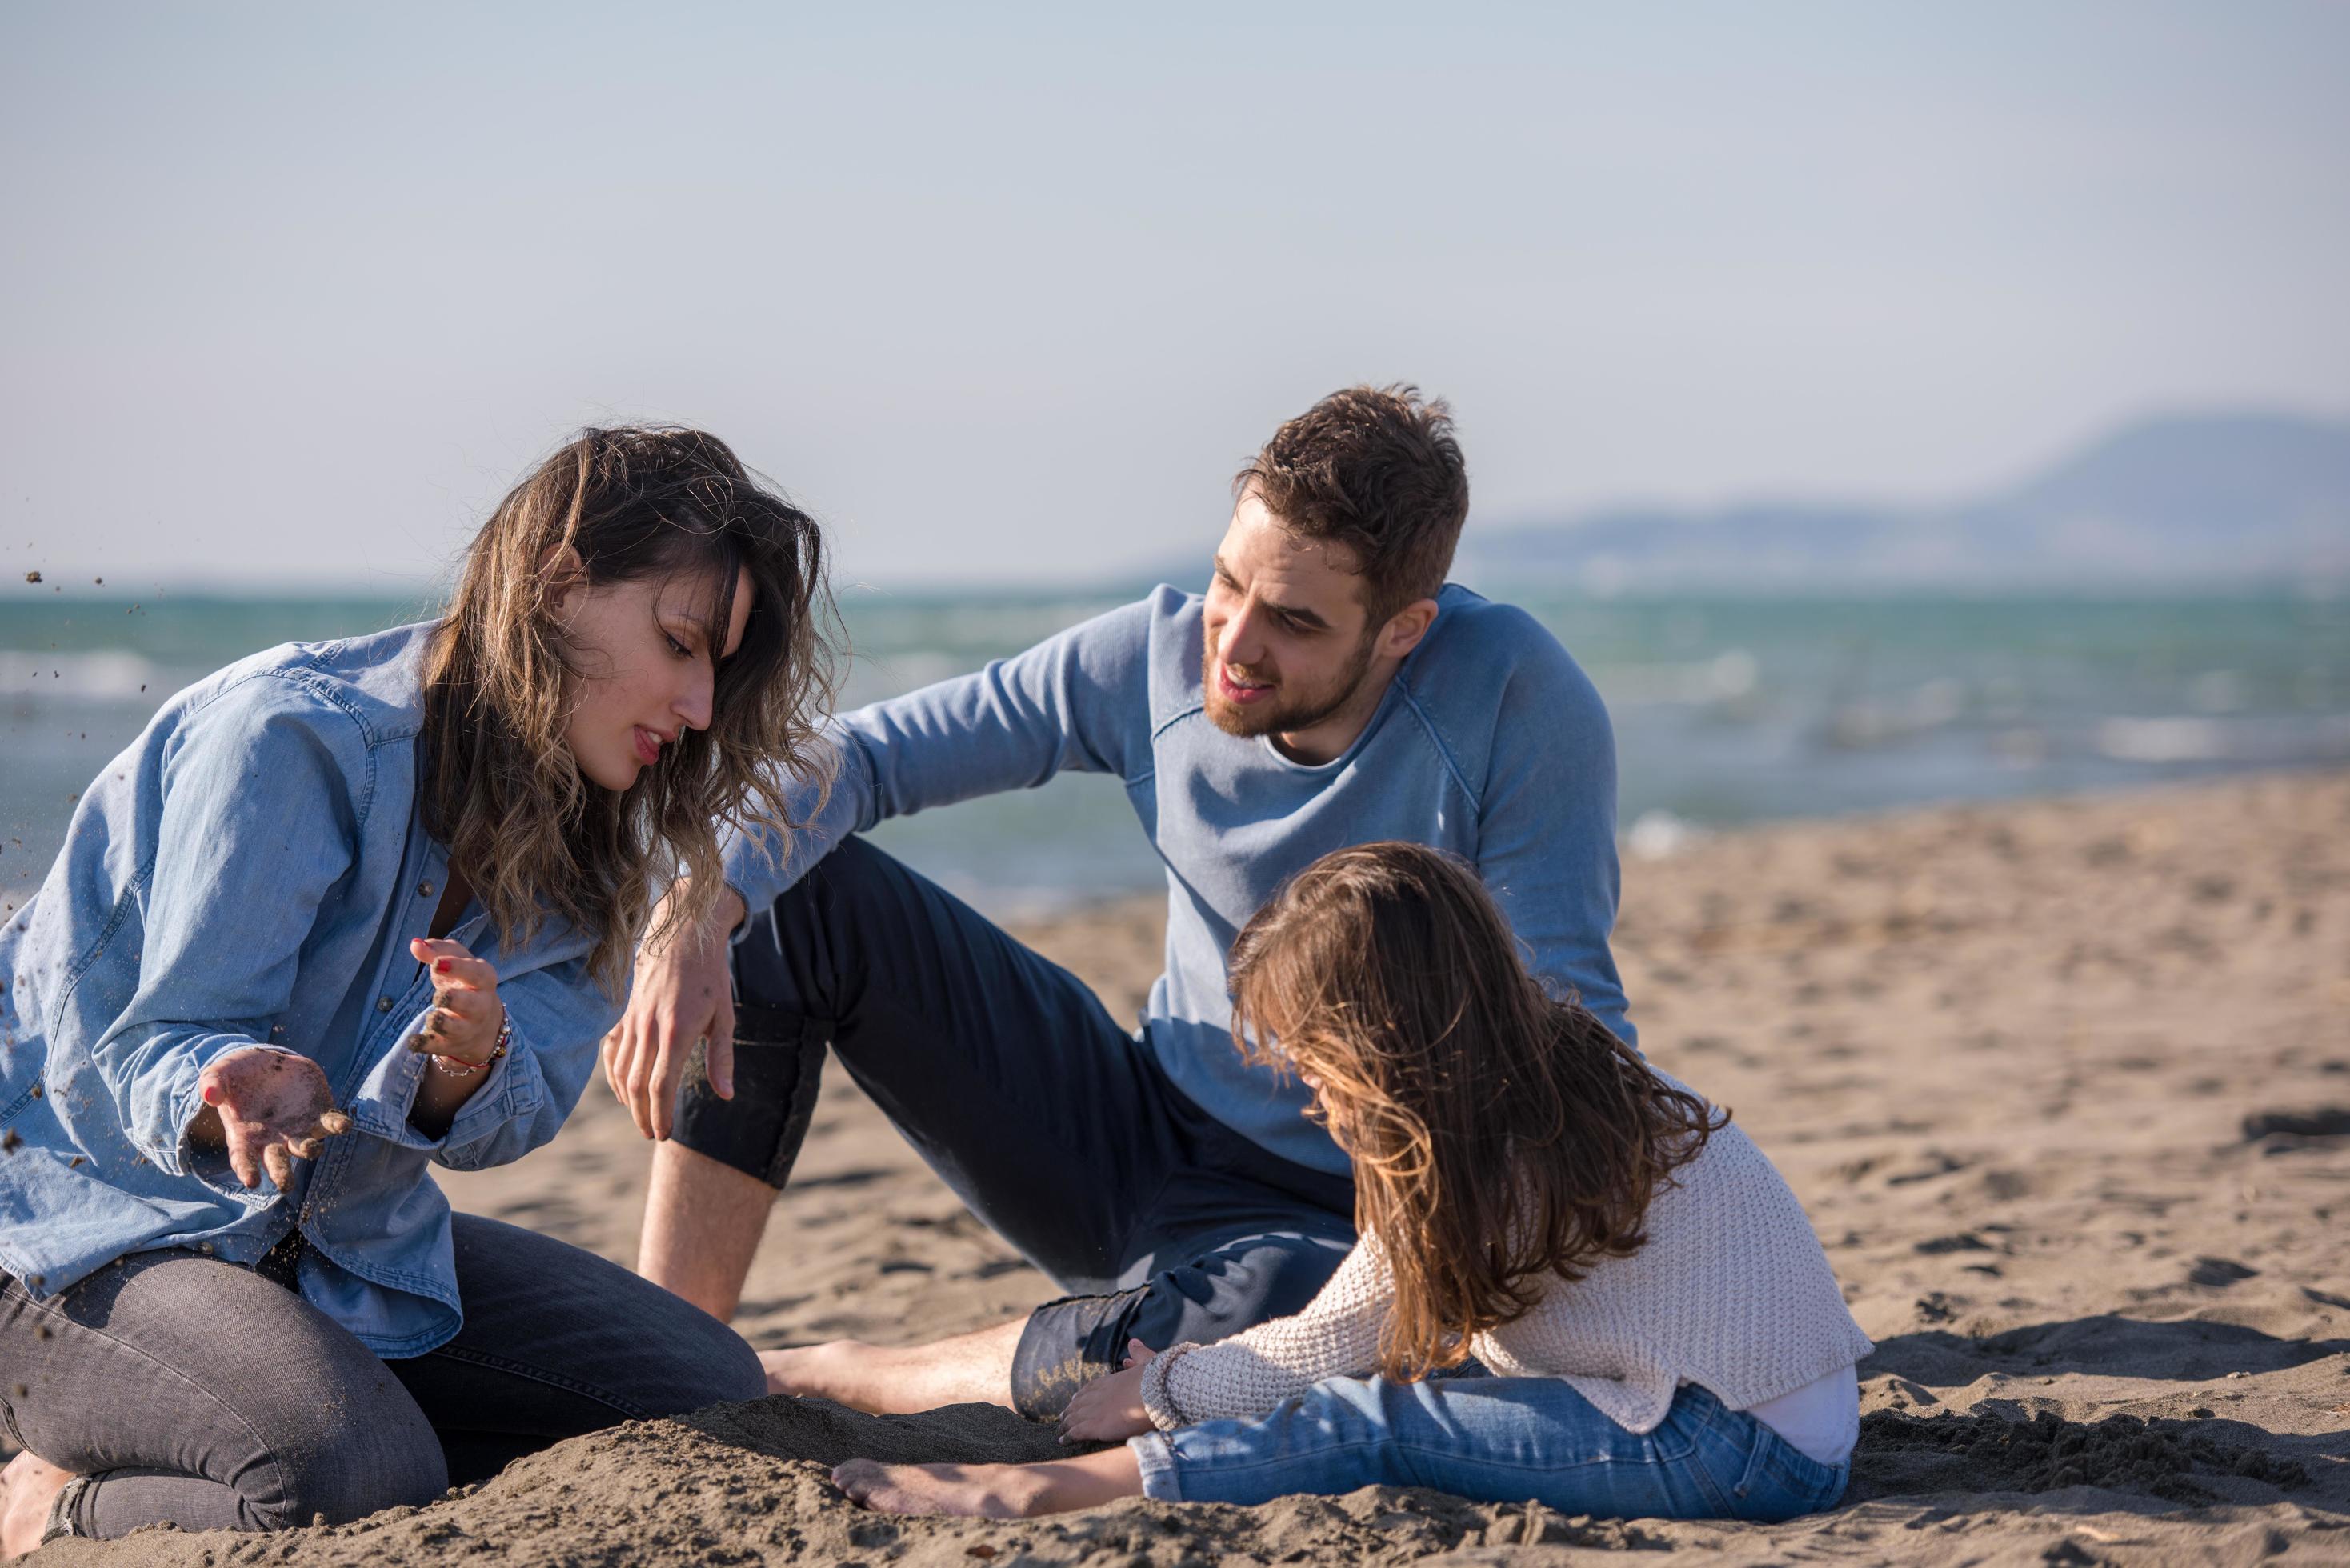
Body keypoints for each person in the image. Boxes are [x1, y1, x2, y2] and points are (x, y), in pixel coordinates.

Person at [603, 385, 1638, 1421]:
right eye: (1228, 583)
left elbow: (1565, 1018)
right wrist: (696, 906)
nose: (1232, 644)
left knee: (1270, 1316)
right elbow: (859, 757)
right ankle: (670, 1349)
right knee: (782, 888)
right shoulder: (1156, 659)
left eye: (1294, 620)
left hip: (1356, 1208)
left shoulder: (1515, 704)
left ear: (1403, 629)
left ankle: (840, 1374)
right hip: (1132, 1138)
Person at [0, 427, 839, 1554]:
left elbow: (512, 1114)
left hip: (333, 1242)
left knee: (707, 1390)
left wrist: (461, 1071)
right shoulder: (294, 740)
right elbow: (146, 1047)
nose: (696, 707)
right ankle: (52, 1499)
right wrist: (226, 1084)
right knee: (351, 1473)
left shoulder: (598, 846)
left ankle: (243, 1399)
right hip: (89, 1231)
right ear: (557, 582)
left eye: (717, 674)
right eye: (681, 643)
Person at [831, 841, 1873, 1522]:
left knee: (1372, 1425)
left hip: (1729, 1448)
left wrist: (1149, 1390)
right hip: (1787, 1420)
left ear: (1387, 1051)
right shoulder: (1564, 1075)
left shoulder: (1479, 1152)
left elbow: (1321, 1347)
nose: (1307, 1096)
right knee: (1412, 1392)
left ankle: (1043, 1492)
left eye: (1313, 1062)